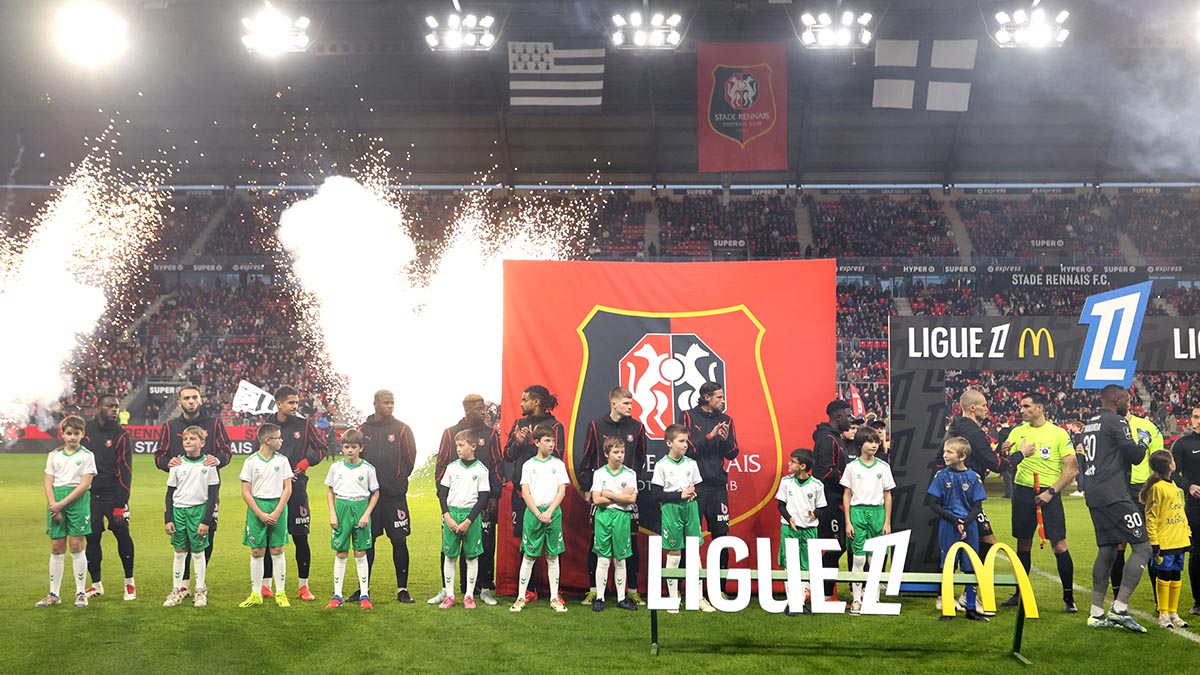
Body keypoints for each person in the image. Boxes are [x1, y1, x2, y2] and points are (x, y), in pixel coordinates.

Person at [946, 388, 1034, 614]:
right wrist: (1020, 454)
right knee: (982, 545)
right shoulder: (972, 431)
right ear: (972, 407)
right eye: (984, 405)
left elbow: (985, 457)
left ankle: (967, 594)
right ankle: (967, 595)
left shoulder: (960, 427)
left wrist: (999, 452)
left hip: (961, 494)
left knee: (984, 543)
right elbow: (996, 466)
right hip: (965, 498)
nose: (987, 408)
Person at [1078, 384, 1153, 632]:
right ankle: (1120, 609)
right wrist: (1143, 441)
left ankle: (1096, 613)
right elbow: (1135, 456)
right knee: (1143, 547)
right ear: (1118, 399)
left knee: (1108, 549)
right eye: (1128, 401)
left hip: (1094, 492)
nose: (1129, 406)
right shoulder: (1116, 422)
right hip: (1114, 493)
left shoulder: (1090, 423)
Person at [1001, 392, 1079, 613]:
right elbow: (1005, 461)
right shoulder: (1017, 432)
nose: (1022, 410)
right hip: (1023, 492)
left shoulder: (1058, 433)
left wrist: (1051, 492)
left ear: (1040, 407)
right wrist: (1004, 451)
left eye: (1026, 406)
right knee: (1023, 544)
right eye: (1021, 407)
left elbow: (1072, 469)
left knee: (1059, 544)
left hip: (1049, 493)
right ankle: (1020, 593)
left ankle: (1069, 598)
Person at [155, 384, 232, 601]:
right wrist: (166, 462)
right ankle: (184, 585)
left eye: (194, 397)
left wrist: (219, 460)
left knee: (206, 536)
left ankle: (199, 584)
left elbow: (227, 451)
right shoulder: (171, 427)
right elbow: (159, 456)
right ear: (179, 402)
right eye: (186, 398)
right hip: (181, 495)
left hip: (206, 493)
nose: (191, 401)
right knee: (181, 545)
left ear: (200, 400)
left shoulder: (214, 423)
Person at [429, 394, 502, 606]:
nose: (484, 412)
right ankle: (446, 590)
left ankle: (485, 588)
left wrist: (494, 496)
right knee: (449, 547)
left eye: (484, 408)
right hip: (453, 503)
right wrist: (443, 497)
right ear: (468, 410)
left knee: (484, 544)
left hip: (481, 500)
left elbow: (497, 464)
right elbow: (441, 465)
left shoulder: (490, 434)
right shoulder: (451, 433)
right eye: (479, 408)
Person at [577, 386, 648, 606]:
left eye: (631, 403)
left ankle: (631, 591)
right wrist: (587, 487)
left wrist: (630, 484)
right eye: (626, 403)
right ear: (614, 403)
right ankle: (593, 591)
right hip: (602, 493)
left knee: (630, 544)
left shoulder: (637, 427)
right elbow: (587, 457)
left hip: (626, 495)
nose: (630, 407)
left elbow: (641, 458)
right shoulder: (596, 425)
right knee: (597, 545)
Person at [261, 385, 327, 602]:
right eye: (291, 403)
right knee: (270, 538)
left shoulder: (304, 425)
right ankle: (265, 585)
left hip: (297, 488)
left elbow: (321, 449)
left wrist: (305, 463)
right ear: (278, 403)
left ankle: (303, 586)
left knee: (300, 536)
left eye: (296, 403)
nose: (295, 406)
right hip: (271, 489)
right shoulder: (267, 425)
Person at [503, 385, 564, 602]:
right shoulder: (519, 425)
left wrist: (534, 445)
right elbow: (507, 456)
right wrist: (519, 443)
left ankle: (554, 592)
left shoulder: (555, 426)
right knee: (525, 540)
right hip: (523, 495)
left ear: (536, 402)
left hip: (547, 497)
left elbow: (559, 456)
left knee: (553, 544)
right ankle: (529, 590)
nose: (521, 404)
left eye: (524, 399)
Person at [358, 389, 417, 604]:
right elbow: (358, 458)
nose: (390, 406)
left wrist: (397, 480)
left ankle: (402, 589)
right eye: (386, 402)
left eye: (392, 402)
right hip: (369, 497)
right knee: (367, 542)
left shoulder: (402, 429)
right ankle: (363, 589)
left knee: (399, 540)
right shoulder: (363, 429)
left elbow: (410, 459)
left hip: (394, 497)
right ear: (375, 404)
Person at [681, 382, 739, 598]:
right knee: (690, 539)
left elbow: (733, 453)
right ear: (706, 397)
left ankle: (719, 590)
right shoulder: (687, 416)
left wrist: (724, 441)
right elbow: (687, 449)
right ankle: (688, 591)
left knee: (721, 537)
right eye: (719, 397)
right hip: (693, 487)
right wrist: (709, 436)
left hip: (717, 487)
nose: (723, 401)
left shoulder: (727, 420)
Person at [651, 423, 713, 614]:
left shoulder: (691, 464)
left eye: (686, 441)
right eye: (681, 441)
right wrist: (679, 496)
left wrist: (694, 494)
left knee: (694, 552)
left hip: (690, 510)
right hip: (671, 510)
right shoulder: (661, 466)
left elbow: (700, 487)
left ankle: (699, 597)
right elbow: (655, 494)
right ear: (669, 443)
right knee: (674, 552)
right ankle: (673, 598)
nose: (685, 445)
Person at [927, 436, 989, 622]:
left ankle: (971, 607)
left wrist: (965, 521)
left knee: (971, 567)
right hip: (949, 525)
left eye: (949, 452)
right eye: (945, 451)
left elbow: (978, 506)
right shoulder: (941, 476)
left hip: (970, 527)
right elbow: (933, 503)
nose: (945, 455)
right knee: (948, 566)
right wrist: (955, 521)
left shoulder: (973, 477)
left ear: (962, 456)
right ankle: (947, 607)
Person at [37, 416, 96, 608]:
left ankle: (81, 593)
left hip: (77, 501)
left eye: (76, 433)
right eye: (69, 433)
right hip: (56, 501)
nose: (72, 437)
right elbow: (48, 481)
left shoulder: (87, 456)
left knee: (77, 545)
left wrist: (60, 505)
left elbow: (85, 484)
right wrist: (53, 504)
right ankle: (54, 594)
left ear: (83, 435)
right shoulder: (54, 455)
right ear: (62, 434)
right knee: (56, 547)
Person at [82, 393, 136, 602]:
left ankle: (129, 583)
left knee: (123, 537)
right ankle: (96, 584)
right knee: (92, 538)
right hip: (91, 496)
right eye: (110, 406)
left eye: (117, 406)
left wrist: (120, 504)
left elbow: (125, 471)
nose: (115, 410)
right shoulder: (87, 429)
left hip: (115, 496)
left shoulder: (122, 435)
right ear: (99, 408)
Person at [510, 425, 569, 613]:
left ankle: (554, 598)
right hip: (533, 514)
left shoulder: (558, 464)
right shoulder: (529, 465)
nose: (551, 444)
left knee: (553, 556)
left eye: (553, 441)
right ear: (537, 442)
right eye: (547, 441)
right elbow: (525, 492)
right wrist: (537, 514)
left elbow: (562, 490)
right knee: (529, 556)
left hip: (553, 515)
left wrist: (550, 511)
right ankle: (521, 597)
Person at [238, 423, 294, 608]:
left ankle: (280, 592)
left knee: (277, 549)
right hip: (258, 507)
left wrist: (277, 511)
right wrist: (260, 513)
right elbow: (246, 492)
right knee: (257, 551)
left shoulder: (282, 461)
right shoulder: (251, 462)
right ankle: (256, 593)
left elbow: (288, 488)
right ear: (267, 440)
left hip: (278, 505)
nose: (281, 440)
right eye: (278, 437)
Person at [162, 426, 219, 608]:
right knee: (179, 552)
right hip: (179, 511)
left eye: (192, 439)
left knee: (198, 552)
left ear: (202, 443)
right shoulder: (177, 465)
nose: (188, 441)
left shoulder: (209, 465)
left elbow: (213, 495)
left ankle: (200, 591)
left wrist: (206, 520)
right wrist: (168, 518)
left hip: (198, 511)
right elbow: (169, 494)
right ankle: (177, 590)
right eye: (185, 438)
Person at [840, 426, 895, 615]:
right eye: (870, 441)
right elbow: (846, 495)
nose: (874, 445)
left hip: (877, 513)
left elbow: (888, 495)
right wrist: (848, 521)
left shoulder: (883, 467)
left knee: (875, 558)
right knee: (858, 557)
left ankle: (873, 598)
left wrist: (887, 522)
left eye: (876, 441)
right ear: (860, 444)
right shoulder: (852, 467)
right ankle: (856, 599)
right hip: (858, 512)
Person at [323, 429, 380, 610]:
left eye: (353, 447)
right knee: (341, 552)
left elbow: (375, 493)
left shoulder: (368, 469)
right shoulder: (335, 468)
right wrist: (332, 513)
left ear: (360, 448)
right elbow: (330, 491)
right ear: (342, 448)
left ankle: (364, 594)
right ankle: (337, 595)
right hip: (341, 508)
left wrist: (366, 514)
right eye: (346, 447)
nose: (350, 450)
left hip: (360, 507)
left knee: (360, 552)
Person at [1112, 410, 1164, 605]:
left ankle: (1160, 599)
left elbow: (1160, 460)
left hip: (1142, 490)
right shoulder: (1109, 426)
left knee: (1151, 545)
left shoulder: (1148, 427)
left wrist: (1150, 488)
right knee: (1118, 544)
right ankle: (1118, 600)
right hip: (1118, 490)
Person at [437, 430, 491, 610]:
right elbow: (442, 493)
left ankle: (469, 595)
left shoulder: (481, 470)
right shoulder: (452, 468)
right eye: (457, 445)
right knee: (450, 556)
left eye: (462, 445)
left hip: (471, 517)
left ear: (473, 446)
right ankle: (450, 595)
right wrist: (447, 516)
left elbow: (483, 498)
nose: (458, 449)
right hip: (452, 515)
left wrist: (468, 521)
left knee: (471, 556)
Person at [1141, 450, 1191, 629]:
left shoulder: (1175, 488)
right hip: (1165, 541)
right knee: (1164, 575)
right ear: (1169, 465)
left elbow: (1179, 513)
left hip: (1179, 539)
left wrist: (1187, 533)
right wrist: (1154, 542)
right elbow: (1151, 517)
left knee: (1176, 575)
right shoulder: (1157, 488)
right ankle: (1163, 613)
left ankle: (1173, 612)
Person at [590, 436, 639, 612]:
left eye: (622, 452)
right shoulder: (599, 473)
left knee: (621, 559)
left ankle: (621, 598)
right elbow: (596, 499)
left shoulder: (630, 474)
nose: (620, 455)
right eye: (616, 452)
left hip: (622, 519)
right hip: (603, 518)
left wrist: (610, 494)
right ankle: (600, 598)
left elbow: (631, 500)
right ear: (606, 453)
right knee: (603, 559)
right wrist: (621, 497)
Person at [776, 448, 825, 616]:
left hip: (809, 530)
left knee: (806, 566)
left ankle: (801, 602)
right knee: (790, 565)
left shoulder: (817, 485)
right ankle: (792, 602)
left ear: (803, 466)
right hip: (789, 529)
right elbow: (780, 505)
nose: (788, 464)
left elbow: (822, 508)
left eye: (792, 462)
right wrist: (789, 518)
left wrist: (815, 514)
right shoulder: (786, 482)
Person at [812, 399, 852, 601]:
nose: (850, 418)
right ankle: (825, 593)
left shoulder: (835, 438)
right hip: (829, 501)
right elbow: (825, 471)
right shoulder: (828, 439)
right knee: (833, 546)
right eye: (848, 414)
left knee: (836, 545)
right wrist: (849, 481)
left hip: (835, 499)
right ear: (838, 416)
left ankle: (824, 591)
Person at [1169, 404, 1200, 615]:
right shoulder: (1182, 444)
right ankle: (1199, 602)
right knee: (1197, 553)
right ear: (1191, 419)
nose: (1199, 420)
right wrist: (1188, 485)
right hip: (1196, 506)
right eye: (1196, 417)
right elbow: (1174, 473)